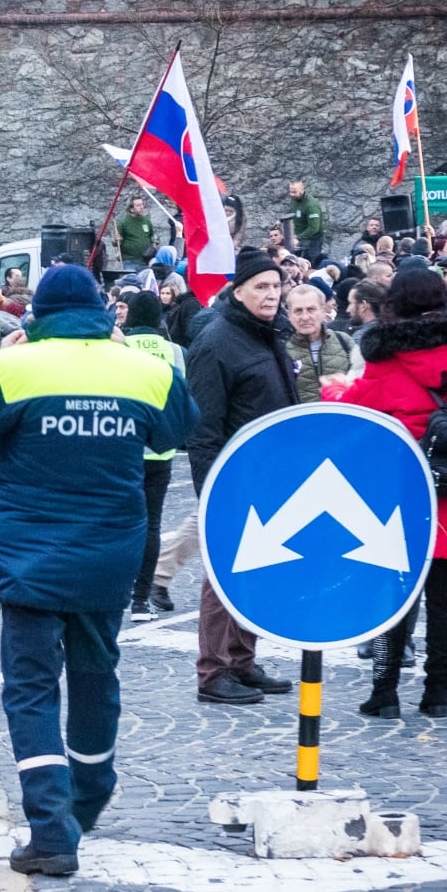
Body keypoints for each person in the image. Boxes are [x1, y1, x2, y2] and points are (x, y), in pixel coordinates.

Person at [0, 264, 195, 878]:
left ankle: (50, 828)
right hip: (111, 549)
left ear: (38, 314)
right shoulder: (145, 371)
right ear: (105, 314)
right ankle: (90, 793)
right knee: (97, 672)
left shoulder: (14, 366)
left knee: (30, 688)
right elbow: (180, 427)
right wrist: (125, 358)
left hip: (27, 550)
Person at [326, 268, 447, 719]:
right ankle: (437, 694)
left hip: (399, 495)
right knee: (446, 596)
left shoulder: (386, 361)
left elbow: (356, 424)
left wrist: (333, 396)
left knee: (393, 595)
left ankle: (385, 693)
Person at [186, 248, 299, 706]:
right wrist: (214, 491)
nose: (272, 294)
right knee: (224, 574)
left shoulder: (268, 334)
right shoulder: (216, 343)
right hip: (235, 478)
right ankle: (213, 671)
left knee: (259, 568)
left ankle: (241, 659)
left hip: (273, 475)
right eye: (262, 287)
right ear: (239, 292)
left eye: (276, 286)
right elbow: (203, 428)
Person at [118, 292, 184, 622]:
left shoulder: (119, 347)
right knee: (151, 525)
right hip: (161, 448)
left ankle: (114, 590)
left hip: (123, 445)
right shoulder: (174, 352)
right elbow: (182, 397)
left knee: (118, 521)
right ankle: (142, 600)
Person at [284, 284, 359, 402]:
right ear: (289, 315)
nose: (305, 317)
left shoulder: (344, 342)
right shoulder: (282, 349)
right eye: (298, 311)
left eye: (311, 309)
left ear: (323, 311)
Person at [287, 181, 324, 263]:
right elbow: (293, 209)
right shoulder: (294, 198)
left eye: (294, 192)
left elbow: (314, 228)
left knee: (311, 262)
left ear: (302, 190)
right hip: (300, 236)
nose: (291, 194)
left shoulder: (311, 205)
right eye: (290, 191)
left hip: (313, 240)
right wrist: (281, 220)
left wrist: (298, 238)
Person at [117, 195, 156, 271]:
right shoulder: (123, 223)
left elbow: (152, 237)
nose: (141, 207)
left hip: (145, 261)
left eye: (142, 204)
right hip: (129, 261)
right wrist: (116, 240)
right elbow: (116, 243)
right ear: (131, 209)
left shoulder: (147, 221)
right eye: (138, 205)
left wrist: (154, 245)